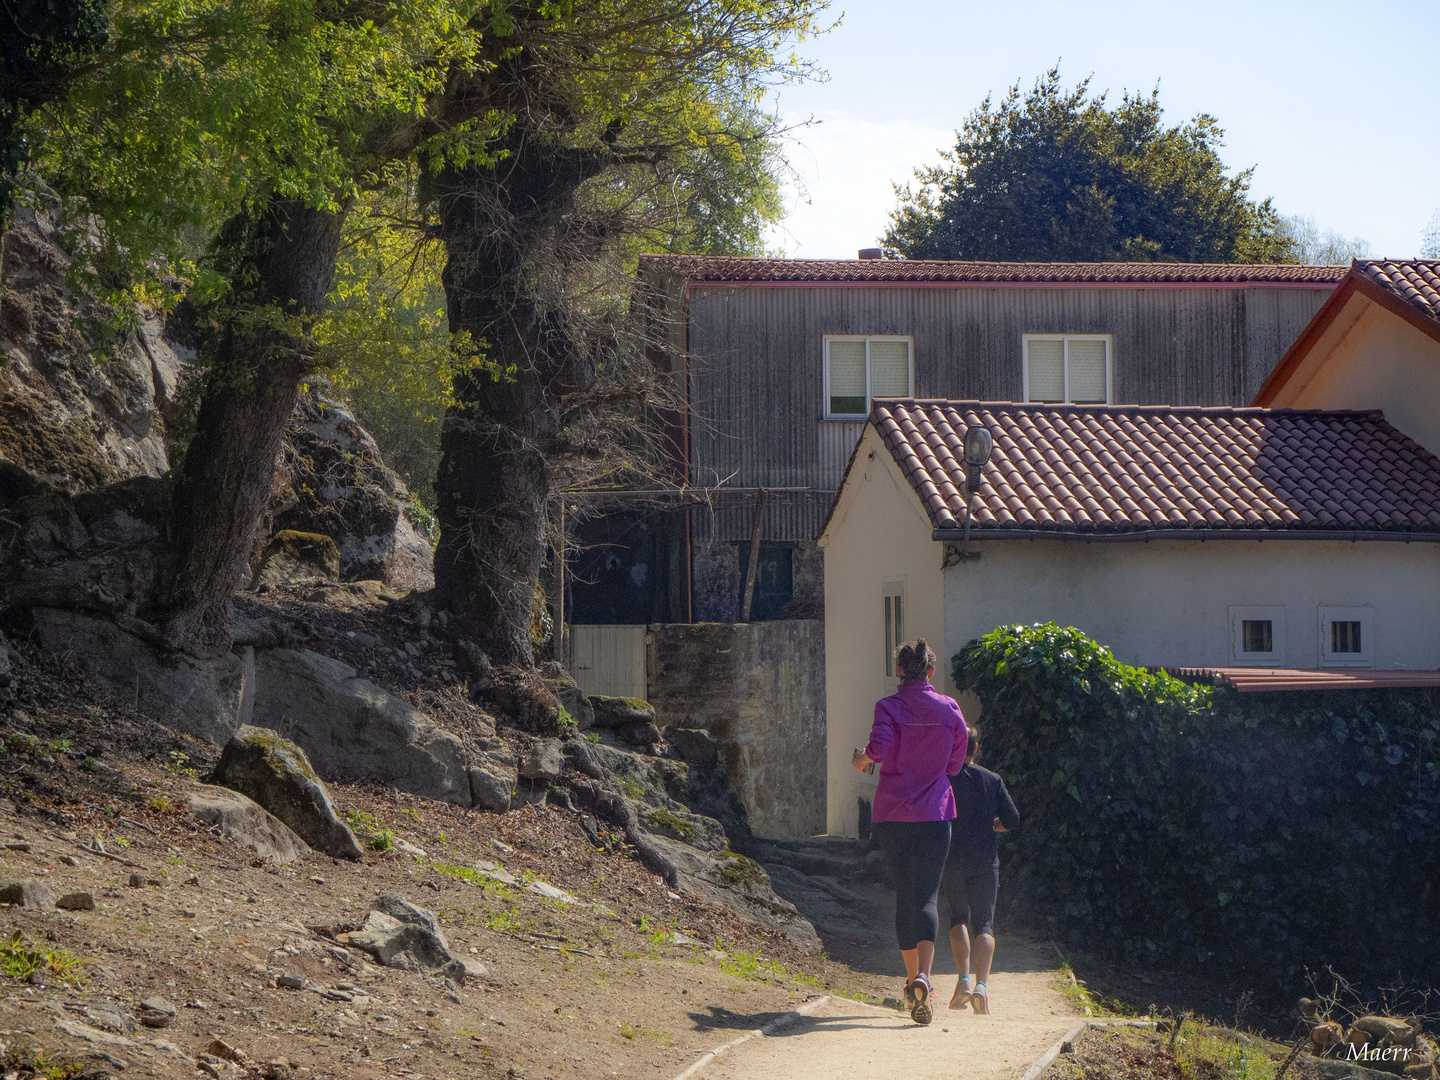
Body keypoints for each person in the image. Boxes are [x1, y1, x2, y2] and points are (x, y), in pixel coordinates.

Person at [852, 639, 968, 1027]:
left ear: (899, 670)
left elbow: (879, 749)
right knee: (928, 899)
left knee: (905, 896)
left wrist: (862, 759)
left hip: (894, 816)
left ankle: (909, 981)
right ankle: (925, 979)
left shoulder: (888, 707)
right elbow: (956, 760)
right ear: (930, 672)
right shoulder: (949, 708)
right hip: (935, 815)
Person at [943, 726, 1020, 1015]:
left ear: (955, 748)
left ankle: (963, 980)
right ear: (975, 749)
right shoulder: (993, 780)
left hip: (952, 859)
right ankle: (982, 988)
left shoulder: (944, 778)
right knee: (984, 924)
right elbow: (1013, 820)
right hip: (985, 862)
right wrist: (993, 826)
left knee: (958, 918)